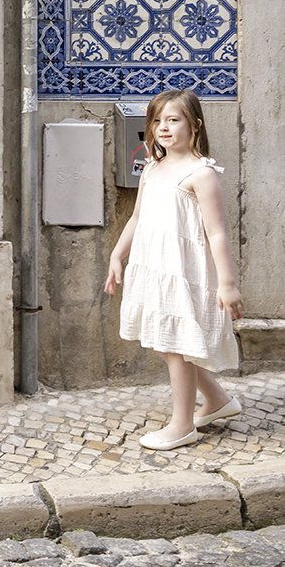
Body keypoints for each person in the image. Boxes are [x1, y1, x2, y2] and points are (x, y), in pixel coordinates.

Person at [104, 89, 244, 451]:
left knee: (178, 345)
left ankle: (183, 425)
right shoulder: (153, 168)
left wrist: (227, 284)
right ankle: (218, 402)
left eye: (173, 119)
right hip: (155, 266)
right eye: (157, 120)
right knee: (170, 345)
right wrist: (118, 254)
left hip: (185, 271)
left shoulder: (202, 174)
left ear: (194, 125)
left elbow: (216, 232)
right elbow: (138, 217)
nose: (163, 127)